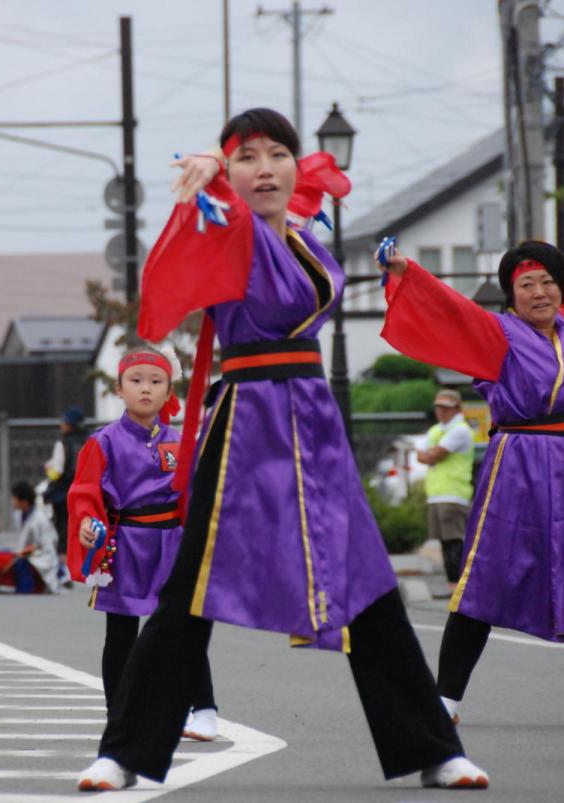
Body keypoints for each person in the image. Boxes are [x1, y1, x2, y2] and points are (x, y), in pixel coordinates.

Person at [76, 108, 487, 792]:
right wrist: (210, 178)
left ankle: (434, 749)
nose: (264, 169)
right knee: (188, 595)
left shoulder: (304, 238)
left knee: (370, 587)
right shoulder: (220, 227)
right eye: (247, 157)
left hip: (313, 420)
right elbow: (181, 261)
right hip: (247, 421)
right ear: (228, 172)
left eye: (277, 155)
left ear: (295, 167)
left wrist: (234, 173)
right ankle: (121, 754)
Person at [378, 230, 564, 727]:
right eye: (526, 285)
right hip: (518, 465)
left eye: (548, 282)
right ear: (511, 296)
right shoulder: (497, 333)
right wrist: (407, 272)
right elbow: (451, 309)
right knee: (485, 577)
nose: (539, 292)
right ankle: (445, 699)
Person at [66, 346, 218, 741]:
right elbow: (84, 492)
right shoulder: (103, 442)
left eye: (156, 381)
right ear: (119, 389)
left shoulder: (182, 442)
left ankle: (203, 710)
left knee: (183, 628)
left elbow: (198, 495)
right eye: (136, 381)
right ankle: (120, 714)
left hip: (174, 544)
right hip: (126, 547)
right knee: (120, 633)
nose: (145, 389)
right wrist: (87, 522)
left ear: (169, 391)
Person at [418, 389, 474, 585]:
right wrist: (429, 455)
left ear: (457, 408)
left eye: (446, 407)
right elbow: (421, 455)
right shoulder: (436, 430)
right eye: (438, 407)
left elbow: (433, 455)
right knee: (445, 543)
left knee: (454, 543)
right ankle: (453, 585)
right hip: (437, 494)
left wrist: (430, 454)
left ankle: (458, 587)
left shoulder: (459, 430)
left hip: (453, 494)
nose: (441, 411)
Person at [44, 407, 88, 548]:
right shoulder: (90, 440)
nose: (61, 425)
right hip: (85, 491)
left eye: (64, 422)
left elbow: (57, 471)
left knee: (65, 528)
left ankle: (65, 556)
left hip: (64, 493)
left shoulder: (62, 443)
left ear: (70, 425)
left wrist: (48, 470)